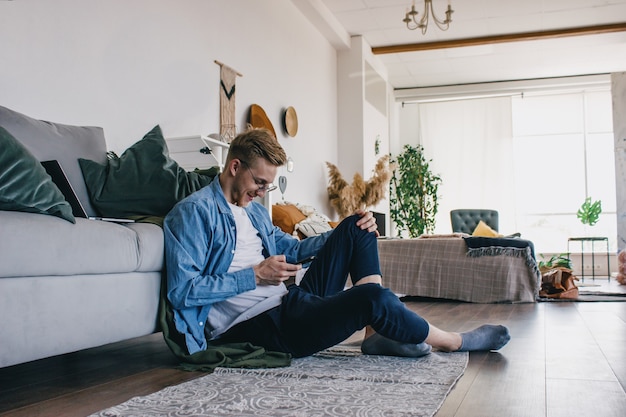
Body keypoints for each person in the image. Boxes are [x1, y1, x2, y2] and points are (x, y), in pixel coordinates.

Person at [164, 128, 510, 359]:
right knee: (373, 297)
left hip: (289, 299)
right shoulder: (194, 213)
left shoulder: (252, 212)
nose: (262, 192)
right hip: (261, 325)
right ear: (234, 166)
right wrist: (255, 275)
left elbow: (293, 249)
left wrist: (346, 230)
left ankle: (377, 333)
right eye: (259, 182)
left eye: (268, 185)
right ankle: (454, 341)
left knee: (356, 226)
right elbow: (183, 292)